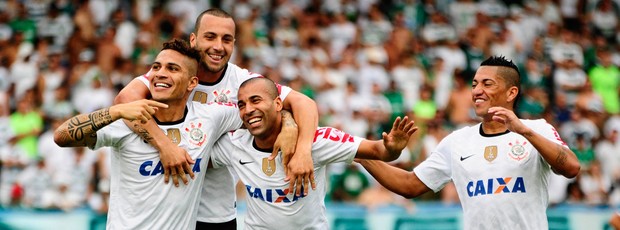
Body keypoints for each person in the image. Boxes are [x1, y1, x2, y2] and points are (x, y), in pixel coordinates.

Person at [114, 8, 318, 229]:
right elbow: (125, 100)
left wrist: (295, 135)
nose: (218, 46)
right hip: (162, 211)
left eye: (227, 39)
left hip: (215, 215)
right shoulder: (172, 73)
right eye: (210, 37)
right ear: (193, 39)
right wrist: (165, 146)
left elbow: (302, 103)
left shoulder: (242, 81)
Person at [357, 56, 581, 229]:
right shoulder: (457, 141)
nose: (477, 91)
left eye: (487, 84)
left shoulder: (537, 129)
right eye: (474, 84)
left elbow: (571, 167)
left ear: (511, 92)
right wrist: (358, 151)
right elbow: (409, 185)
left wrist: (523, 131)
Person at [54, 39, 242, 229]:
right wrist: (116, 111)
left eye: (172, 69)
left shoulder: (209, 117)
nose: (160, 74)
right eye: (156, 67)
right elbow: (61, 136)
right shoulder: (126, 121)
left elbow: (263, 116)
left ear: (192, 83)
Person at [209, 77, 418, 229]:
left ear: (278, 104)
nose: (248, 109)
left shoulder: (318, 140)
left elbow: (376, 151)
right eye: (242, 105)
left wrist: (392, 149)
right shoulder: (235, 143)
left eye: (256, 100)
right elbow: (197, 159)